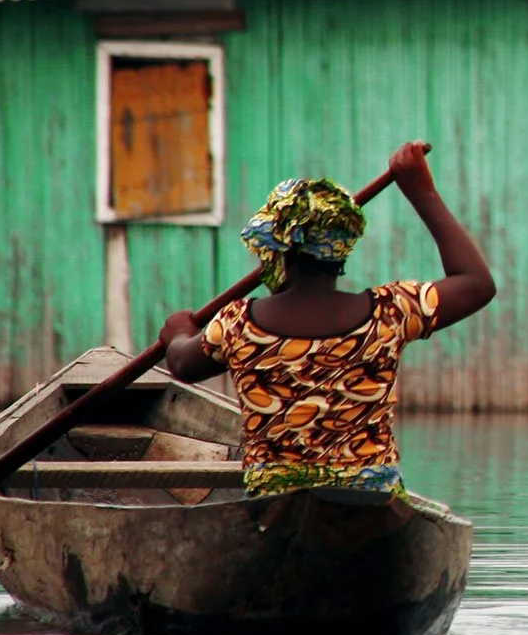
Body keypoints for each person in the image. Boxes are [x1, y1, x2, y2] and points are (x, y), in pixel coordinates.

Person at [161, 141, 496, 497]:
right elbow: (476, 283)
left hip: (274, 498)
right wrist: (421, 192)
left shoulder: (238, 324)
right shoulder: (391, 313)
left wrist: (178, 331)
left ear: (278, 251)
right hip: (371, 498)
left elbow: (182, 363)